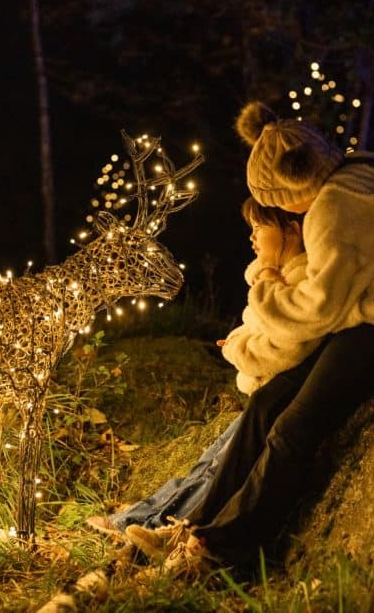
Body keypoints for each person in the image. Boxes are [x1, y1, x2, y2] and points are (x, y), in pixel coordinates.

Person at [135, 101, 374, 576]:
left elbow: (318, 310)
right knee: (266, 406)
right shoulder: (354, 177)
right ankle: (194, 525)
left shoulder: (338, 207)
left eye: (278, 199)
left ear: (296, 181)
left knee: (296, 427)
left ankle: (224, 551)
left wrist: (267, 283)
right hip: (364, 322)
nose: (279, 211)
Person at [86, 198, 320, 546]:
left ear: (292, 230)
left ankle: (162, 530)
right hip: (264, 394)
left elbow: (282, 348)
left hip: (274, 396)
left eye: (260, 228)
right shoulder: (275, 278)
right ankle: (138, 521)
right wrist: (242, 340)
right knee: (207, 465)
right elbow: (250, 331)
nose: (252, 238)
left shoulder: (298, 284)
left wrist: (237, 348)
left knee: (216, 469)